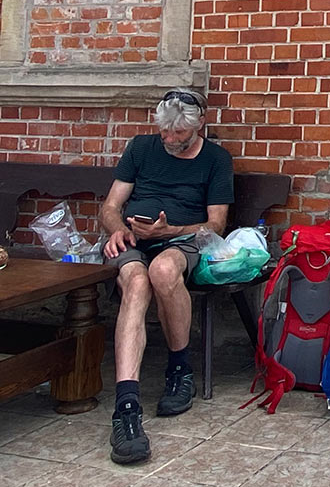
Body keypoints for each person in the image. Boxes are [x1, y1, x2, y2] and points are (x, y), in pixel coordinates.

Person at [99, 87, 233, 465]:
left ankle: (180, 369)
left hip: (183, 240)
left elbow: (216, 225)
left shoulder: (216, 159)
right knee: (136, 281)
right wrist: (117, 230)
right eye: (165, 132)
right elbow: (110, 207)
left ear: (200, 124)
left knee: (162, 270)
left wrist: (169, 230)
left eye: (180, 133)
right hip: (133, 238)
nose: (170, 139)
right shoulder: (141, 148)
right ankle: (126, 408)